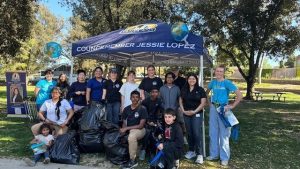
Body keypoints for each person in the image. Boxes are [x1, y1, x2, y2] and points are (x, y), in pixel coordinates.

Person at [206, 65, 242, 166]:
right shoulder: (212, 82)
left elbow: (239, 95)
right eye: (217, 71)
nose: (218, 73)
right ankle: (214, 154)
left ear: (223, 73)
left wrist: (232, 106)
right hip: (214, 109)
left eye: (221, 71)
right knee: (213, 132)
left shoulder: (227, 82)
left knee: (224, 134)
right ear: (215, 72)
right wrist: (209, 103)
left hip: (223, 109)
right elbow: (206, 93)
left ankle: (224, 157)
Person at [179, 74, 207, 164]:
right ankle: (191, 151)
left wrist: (194, 111)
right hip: (186, 113)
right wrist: (183, 110)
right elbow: (180, 100)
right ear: (187, 80)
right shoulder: (184, 89)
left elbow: (203, 103)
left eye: (193, 78)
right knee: (189, 132)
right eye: (190, 78)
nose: (191, 80)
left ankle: (199, 154)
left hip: (197, 114)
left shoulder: (200, 89)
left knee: (196, 133)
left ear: (196, 80)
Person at [120, 91, 148, 169]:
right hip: (130, 129)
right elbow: (124, 122)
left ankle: (133, 160)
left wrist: (126, 128)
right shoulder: (126, 109)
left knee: (132, 136)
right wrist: (123, 130)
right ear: (130, 98)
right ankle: (124, 157)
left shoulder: (142, 109)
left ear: (139, 98)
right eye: (133, 97)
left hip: (140, 130)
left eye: (137, 97)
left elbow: (141, 125)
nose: (135, 99)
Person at [140, 87, 164, 160]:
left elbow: (162, 111)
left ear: (158, 93)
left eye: (156, 92)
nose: (155, 93)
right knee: (148, 131)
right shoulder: (145, 101)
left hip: (155, 121)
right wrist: (148, 122)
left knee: (160, 130)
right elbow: (142, 114)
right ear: (150, 93)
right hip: (146, 121)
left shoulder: (159, 101)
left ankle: (155, 150)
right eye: (153, 92)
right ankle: (144, 150)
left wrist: (159, 122)